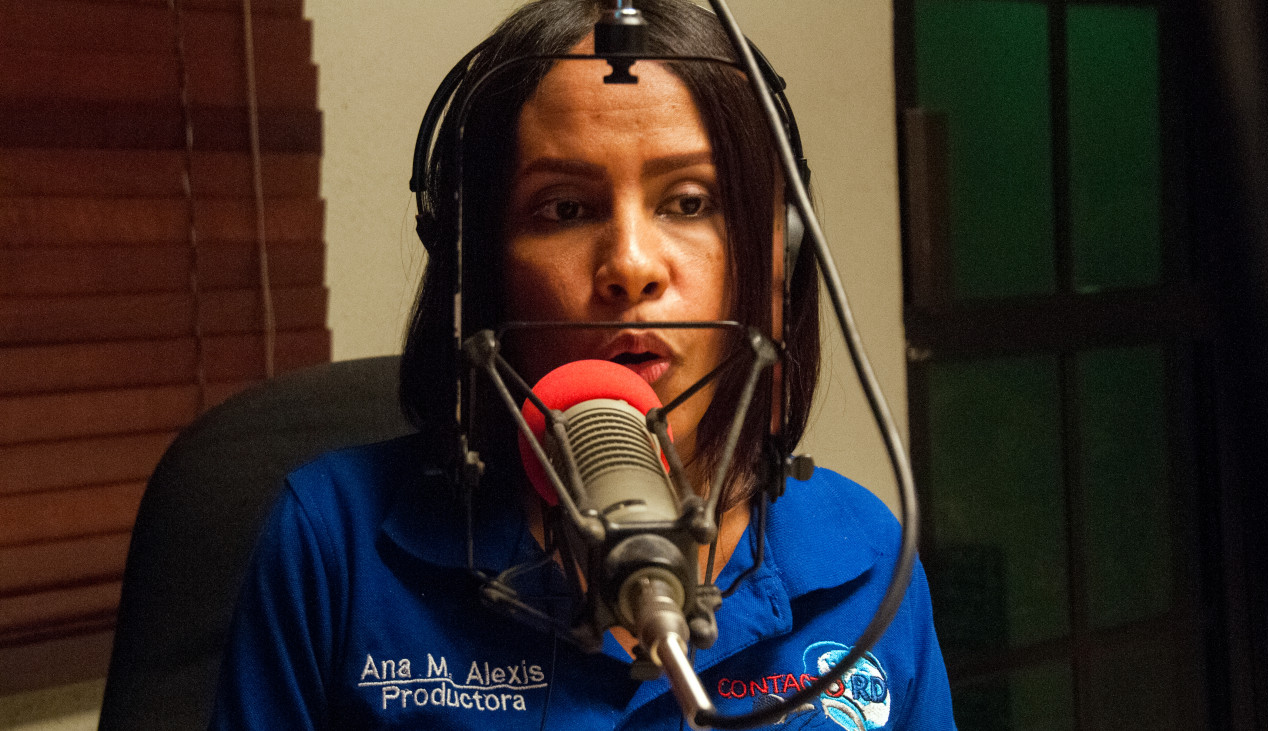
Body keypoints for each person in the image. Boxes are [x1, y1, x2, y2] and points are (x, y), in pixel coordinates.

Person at [209, 1, 956, 728]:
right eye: (565, 208)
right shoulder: (332, 543)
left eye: (689, 202)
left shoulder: (866, 556)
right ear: (480, 265)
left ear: (775, 259)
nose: (630, 266)